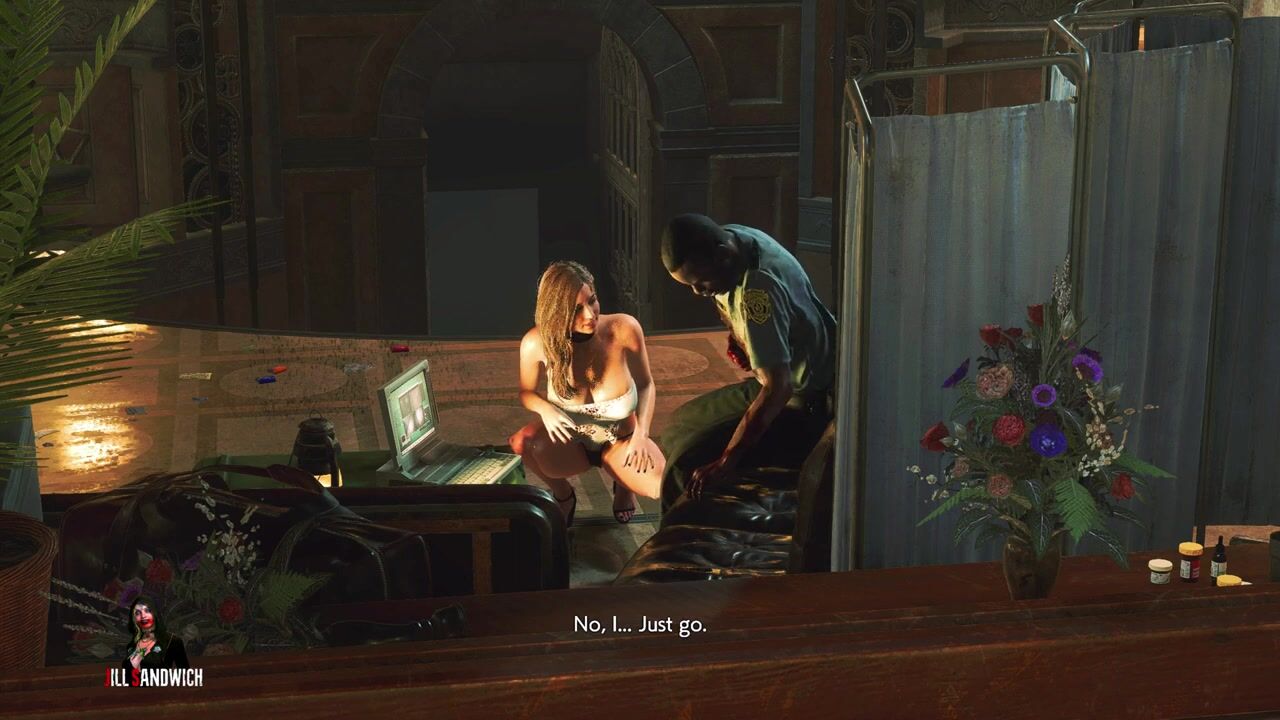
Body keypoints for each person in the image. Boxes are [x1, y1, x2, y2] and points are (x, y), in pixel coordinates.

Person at [659, 214, 837, 509]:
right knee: (677, 427)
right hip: (781, 377)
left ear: (723, 255)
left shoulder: (758, 291)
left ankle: (688, 531)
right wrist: (744, 340)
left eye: (701, 282)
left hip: (802, 398)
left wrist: (726, 461)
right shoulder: (738, 238)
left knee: (684, 463)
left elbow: (778, 389)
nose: (698, 292)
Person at [508, 261, 665, 526]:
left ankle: (623, 487)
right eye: (576, 309)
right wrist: (545, 409)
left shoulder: (624, 328)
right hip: (573, 443)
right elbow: (526, 392)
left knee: (661, 485)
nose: (590, 315)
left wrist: (642, 434)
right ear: (556, 312)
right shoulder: (536, 342)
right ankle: (563, 495)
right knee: (521, 444)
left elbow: (646, 384)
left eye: (592, 301)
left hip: (622, 440)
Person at [121, 596, 189, 674]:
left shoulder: (173, 641)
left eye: (147, 611)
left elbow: (185, 674)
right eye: (137, 613)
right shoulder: (132, 645)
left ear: (155, 613)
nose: (143, 616)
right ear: (134, 618)